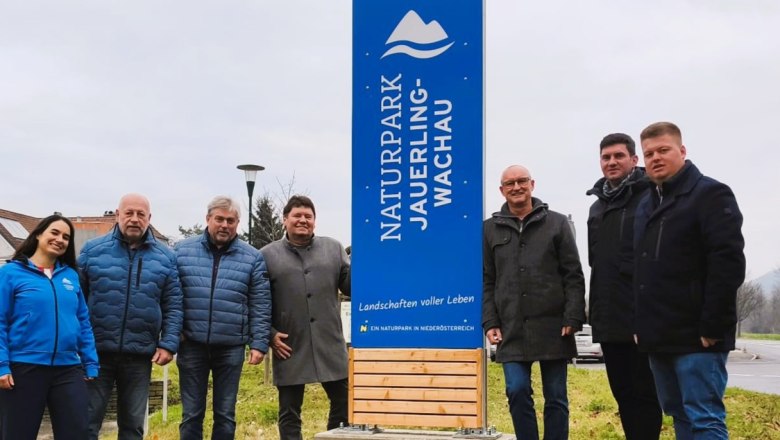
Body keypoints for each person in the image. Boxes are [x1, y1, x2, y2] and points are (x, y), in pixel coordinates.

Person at [635, 122, 745, 440]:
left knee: (704, 418)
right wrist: (640, 325)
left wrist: (712, 326)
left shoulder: (711, 194)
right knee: (678, 414)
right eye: (649, 153)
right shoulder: (646, 205)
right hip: (659, 334)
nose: (655, 158)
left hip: (698, 336)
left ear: (682, 151)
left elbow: (728, 264)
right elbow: (643, 272)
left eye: (663, 150)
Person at [482, 166, 586, 440]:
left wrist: (573, 316)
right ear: (502, 190)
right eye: (510, 183)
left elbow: (573, 274)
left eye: (522, 181)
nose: (516, 187)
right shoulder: (489, 229)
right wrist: (490, 321)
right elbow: (487, 279)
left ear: (532, 184)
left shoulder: (557, 223)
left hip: (554, 326)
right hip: (510, 326)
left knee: (556, 397)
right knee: (516, 390)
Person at [79, 193, 183, 440]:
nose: (134, 219)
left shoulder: (166, 258)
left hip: (139, 356)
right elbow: (76, 302)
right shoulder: (92, 251)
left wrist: (168, 344)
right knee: (85, 423)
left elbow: (174, 305)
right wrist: (77, 344)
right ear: (118, 215)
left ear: (149, 218)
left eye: (140, 214)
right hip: (95, 354)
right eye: (129, 213)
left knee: (133, 427)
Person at [174, 195, 271, 440]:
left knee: (225, 415)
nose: (224, 225)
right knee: (191, 415)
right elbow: (170, 297)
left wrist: (259, 343)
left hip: (230, 347)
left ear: (238, 223)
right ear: (208, 219)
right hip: (191, 345)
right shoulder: (182, 252)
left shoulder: (252, 257)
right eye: (219, 219)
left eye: (230, 220)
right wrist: (174, 333)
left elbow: (259, 302)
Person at [586, 133, 662, 439]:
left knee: (647, 395)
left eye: (619, 156)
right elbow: (596, 262)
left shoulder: (651, 196)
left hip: (640, 316)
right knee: (624, 396)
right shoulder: (596, 208)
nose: (612, 162)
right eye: (606, 157)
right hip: (608, 319)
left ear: (634, 159)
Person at [0, 215, 99, 439]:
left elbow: (82, 321)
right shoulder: (10, 274)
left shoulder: (71, 276)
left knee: (77, 433)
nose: (60, 239)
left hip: (68, 369)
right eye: (54, 232)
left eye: (66, 237)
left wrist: (90, 361)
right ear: (38, 234)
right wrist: (2, 365)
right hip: (24, 368)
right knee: (18, 434)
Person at [261, 195, 351, 440]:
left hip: (329, 342)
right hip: (289, 344)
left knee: (344, 402)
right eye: (297, 215)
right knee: (289, 411)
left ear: (315, 221)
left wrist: (366, 261)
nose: (303, 220)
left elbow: (352, 287)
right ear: (285, 220)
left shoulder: (334, 249)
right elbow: (257, 302)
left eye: (308, 216)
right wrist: (269, 335)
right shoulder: (267, 256)